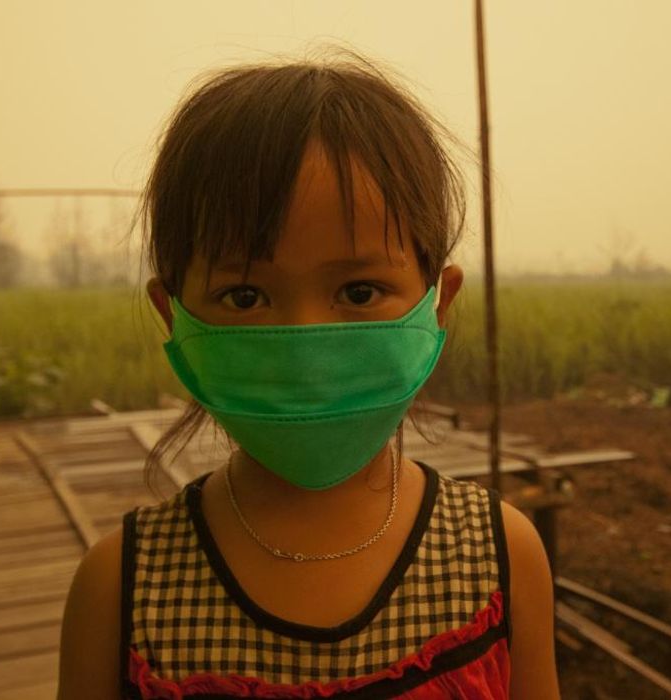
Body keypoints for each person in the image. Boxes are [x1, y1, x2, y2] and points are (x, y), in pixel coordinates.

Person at [57, 50, 559, 699]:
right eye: (245, 296)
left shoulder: (499, 556)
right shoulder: (122, 590)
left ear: (439, 302)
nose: (306, 346)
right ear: (172, 314)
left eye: (358, 292)